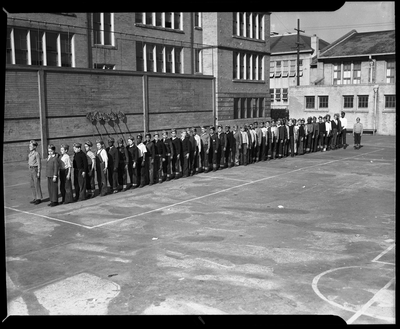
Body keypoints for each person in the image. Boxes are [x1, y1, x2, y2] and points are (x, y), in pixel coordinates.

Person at [28, 140, 43, 205]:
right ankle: (34, 197)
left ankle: (38, 198)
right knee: (32, 184)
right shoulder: (30, 154)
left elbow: (39, 163)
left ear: (34, 147)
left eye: (31, 146)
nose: (29, 147)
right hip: (31, 169)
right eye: (29, 145)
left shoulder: (36, 154)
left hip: (35, 169)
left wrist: (38, 172)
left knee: (36, 184)